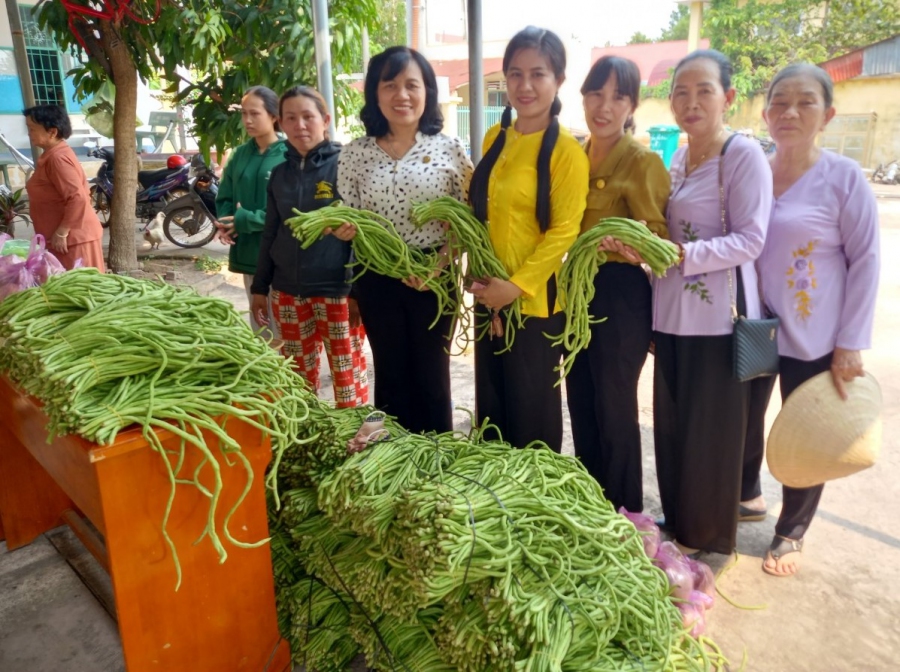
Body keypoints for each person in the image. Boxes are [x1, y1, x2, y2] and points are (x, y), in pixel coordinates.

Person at [741, 64, 880, 577]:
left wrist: (850, 341)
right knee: (745, 417)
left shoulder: (843, 178)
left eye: (805, 102)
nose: (789, 112)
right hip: (755, 327)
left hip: (817, 335)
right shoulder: (753, 166)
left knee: (809, 430)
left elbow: (866, 260)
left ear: (828, 114)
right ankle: (747, 495)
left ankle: (791, 530)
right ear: (765, 111)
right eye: (779, 102)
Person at [652, 50, 772, 555]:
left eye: (704, 90)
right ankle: (679, 521)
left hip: (719, 319)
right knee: (674, 424)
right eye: (681, 91)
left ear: (728, 97)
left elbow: (751, 239)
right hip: (672, 313)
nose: (691, 101)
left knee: (710, 435)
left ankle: (708, 537)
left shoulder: (740, 155)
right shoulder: (679, 156)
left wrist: (682, 253)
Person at [333, 47, 473, 433]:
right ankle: (394, 460)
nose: (402, 95)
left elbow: (466, 223)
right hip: (377, 274)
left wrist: (438, 268)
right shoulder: (355, 153)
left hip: (435, 275)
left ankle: (437, 462)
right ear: (375, 94)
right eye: (389, 85)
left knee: (432, 374)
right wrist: (346, 230)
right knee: (391, 372)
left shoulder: (450, 149)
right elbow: (351, 216)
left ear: (427, 91)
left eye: (412, 84)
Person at [467, 27, 589, 453]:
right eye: (515, 74)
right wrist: (481, 279)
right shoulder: (495, 139)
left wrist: (514, 287)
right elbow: (482, 217)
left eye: (538, 74)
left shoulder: (567, 153)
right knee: (493, 408)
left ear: (558, 80)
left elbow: (564, 232)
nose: (525, 85)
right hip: (489, 299)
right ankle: (497, 503)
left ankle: (535, 504)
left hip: (534, 306)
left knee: (530, 412)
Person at [563, 56, 671, 512]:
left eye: (618, 97)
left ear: (632, 105)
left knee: (614, 406)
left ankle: (626, 512)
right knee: (581, 400)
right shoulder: (571, 153)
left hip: (619, 290)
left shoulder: (642, 160)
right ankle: (591, 503)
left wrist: (632, 244)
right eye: (595, 94)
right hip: (574, 288)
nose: (604, 106)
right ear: (583, 96)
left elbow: (659, 237)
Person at [250, 87, 368, 408]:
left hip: (338, 293)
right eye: (291, 118)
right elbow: (271, 233)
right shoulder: (279, 175)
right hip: (288, 292)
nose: (300, 125)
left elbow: (366, 235)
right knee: (298, 382)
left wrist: (358, 291)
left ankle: (355, 445)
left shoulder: (348, 167)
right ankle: (309, 442)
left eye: (308, 117)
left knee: (348, 384)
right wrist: (260, 288)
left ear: (325, 120)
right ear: (281, 124)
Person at [216, 86, 287, 337]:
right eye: (244, 113)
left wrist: (245, 220)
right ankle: (266, 372)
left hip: (281, 256)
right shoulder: (239, 154)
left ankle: (286, 373)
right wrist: (226, 222)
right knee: (260, 324)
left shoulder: (288, 154)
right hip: (247, 253)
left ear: (274, 116)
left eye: (255, 113)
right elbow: (224, 195)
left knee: (284, 327)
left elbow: (288, 209)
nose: (247, 120)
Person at [23, 105, 105, 271]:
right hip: (66, 240)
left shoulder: (57, 159)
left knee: (81, 291)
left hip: (72, 241)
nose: (29, 134)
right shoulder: (53, 154)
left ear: (52, 132)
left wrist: (62, 232)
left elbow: (78, 198)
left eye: (32, 129)